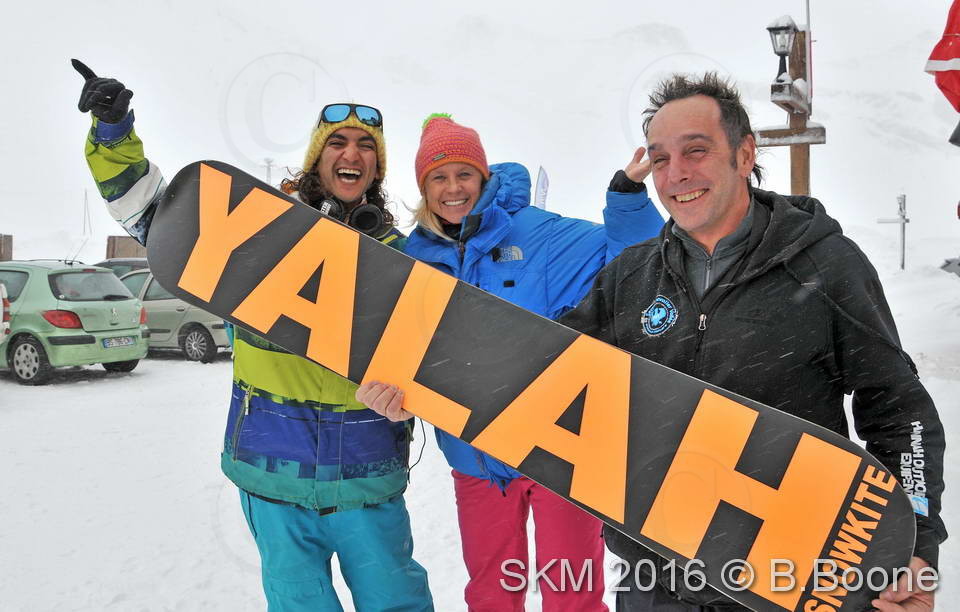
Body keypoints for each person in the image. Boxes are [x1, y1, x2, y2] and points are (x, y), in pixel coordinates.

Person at [558, 72, 946, 612]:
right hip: (656, 576)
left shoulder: (825, 266)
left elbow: (899, 411)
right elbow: (543, 375)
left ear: (744, 155)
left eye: (696, 151)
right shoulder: (629, 277)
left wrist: (912, 544)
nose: (676, 174)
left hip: (791, 574)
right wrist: (412, 378)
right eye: (660, 158)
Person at [73, 60, 433, 611]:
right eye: (338, 141)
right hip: (273, 481)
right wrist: (115, 134)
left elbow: (440, 361)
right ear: (318, 156)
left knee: (397, 602)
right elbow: (157, 218)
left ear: (377, 167)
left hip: (368, 481)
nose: (352, 153)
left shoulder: (401, 257)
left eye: (367, 145)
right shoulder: (257, 238)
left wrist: (414, 400)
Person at [357, 114, 664, 611]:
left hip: (559, 454)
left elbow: (636, 257)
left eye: (464, 174)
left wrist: (626, 197)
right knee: (492, 595)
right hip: (475, 458)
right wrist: (393, 396)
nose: (453, 188)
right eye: (439, 177)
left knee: (572, 595)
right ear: (423, 187)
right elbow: (398, 351)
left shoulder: (538, 234)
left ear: (483, 178)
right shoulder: (412, 260)